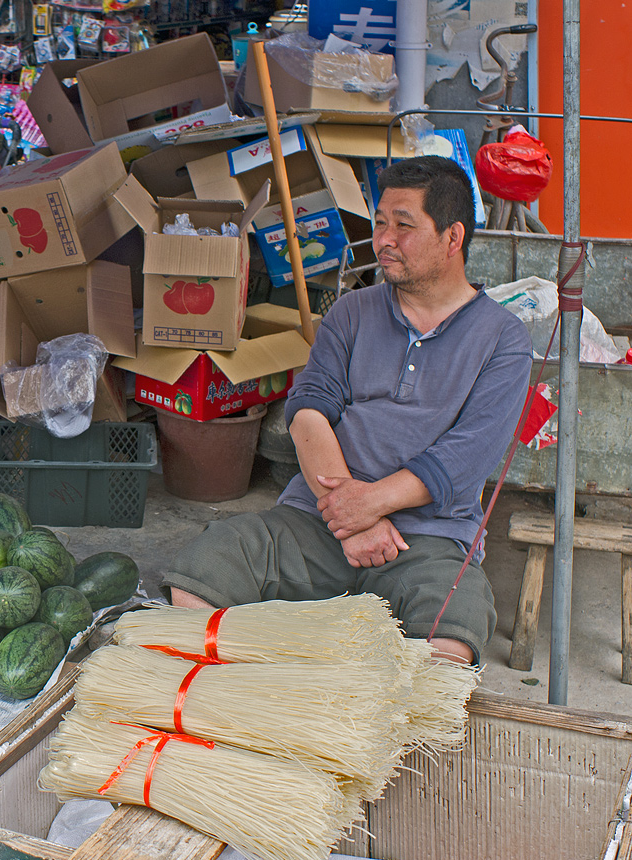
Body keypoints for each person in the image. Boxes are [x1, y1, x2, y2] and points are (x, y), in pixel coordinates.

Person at [162, 156, 534, 666]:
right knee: (202, 572)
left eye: (404, 226)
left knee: (453, 639)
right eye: (380, 223)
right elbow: (308, 411)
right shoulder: (352, 311)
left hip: (427, 537)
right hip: (321, 517)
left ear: (453, 238)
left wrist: (375, 503)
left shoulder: (503, 337)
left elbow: (469, 453)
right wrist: (354, 519)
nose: (384, 239)